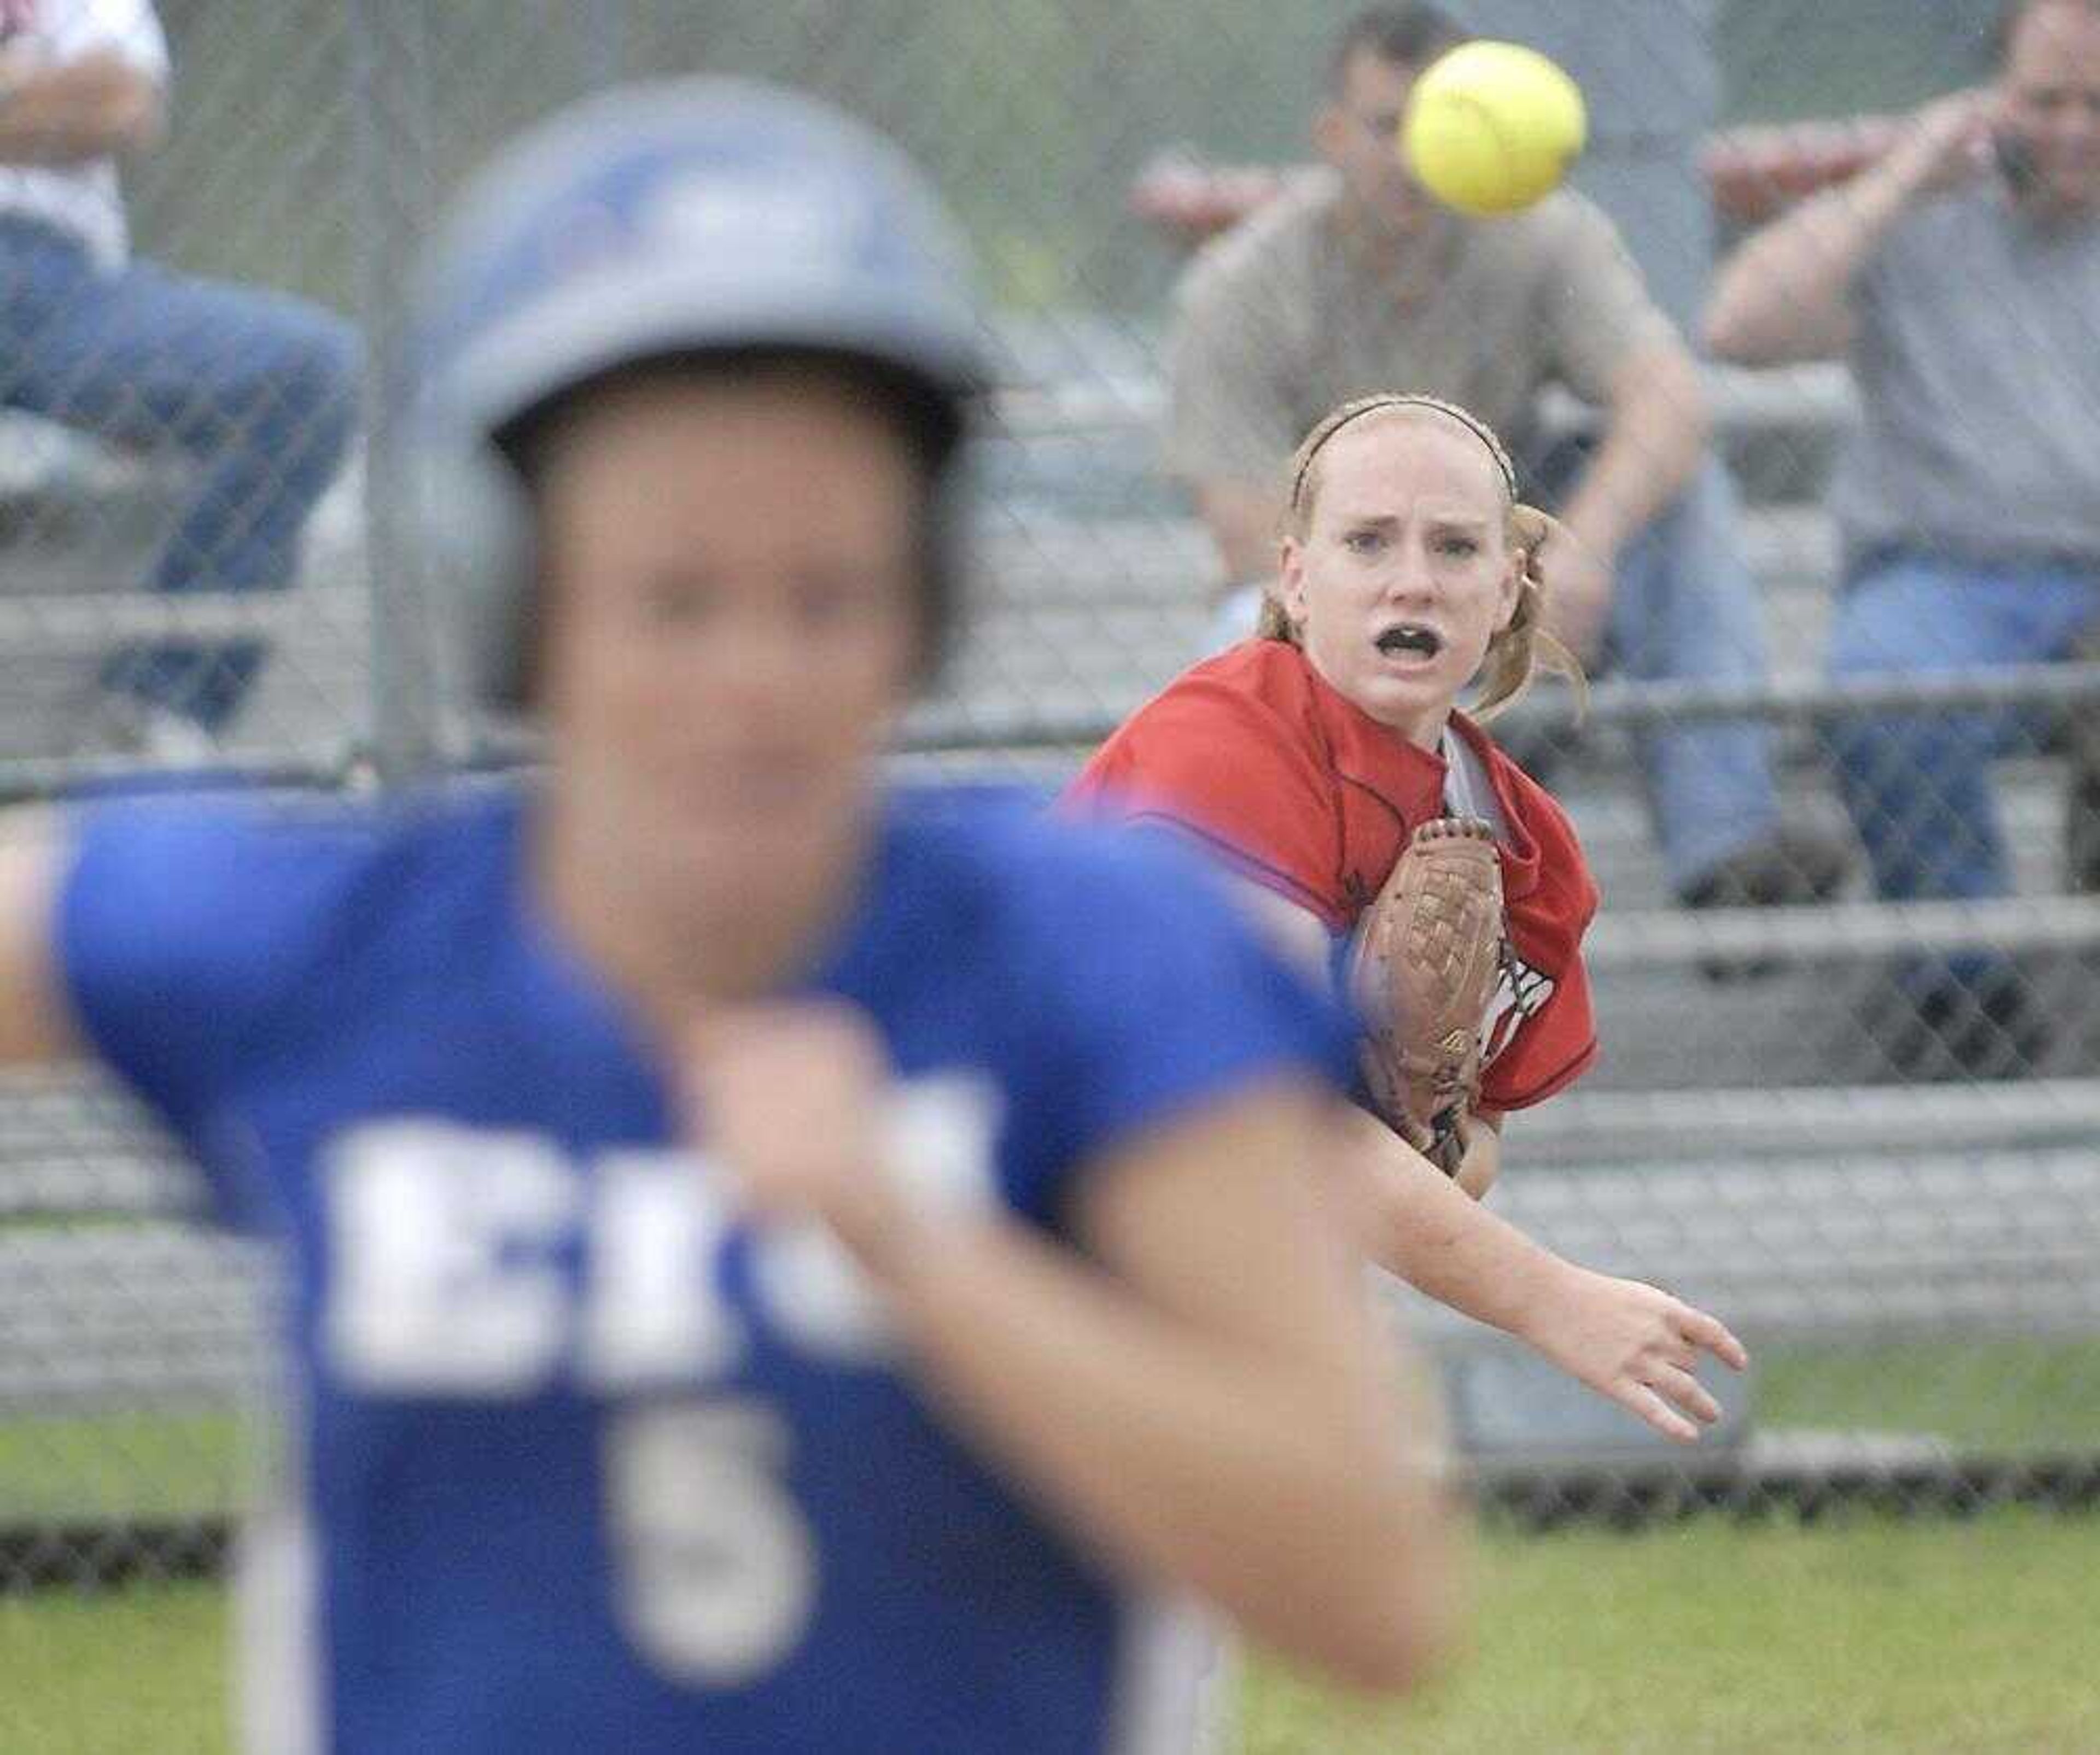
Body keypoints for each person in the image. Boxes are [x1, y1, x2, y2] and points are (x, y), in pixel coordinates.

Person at [0, 78, 1466, 1752]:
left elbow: (1373, 1591)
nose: (750, 675)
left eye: (825, 595)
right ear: (520, 603)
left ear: (925, 604)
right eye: (672, 599)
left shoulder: (1090, 952)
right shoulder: (342, 940)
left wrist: (917, 1249)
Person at [1066, 391, 1749, 1447]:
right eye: (1369, 541)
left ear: (1510, 587)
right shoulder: (1227, 739)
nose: (1413, 579)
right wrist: (1553, 1298)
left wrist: (1415, 1121)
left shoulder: (1525, 846)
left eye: (1456, 547)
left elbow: (1473, 1147)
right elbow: (1274, 1121)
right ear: (1296, 577)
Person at [1165, 2, 1849, 932]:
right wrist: (1407, 592)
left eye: (1442, 121)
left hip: (1498, 566)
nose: (1414, 154)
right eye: (1386, 126)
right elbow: (1249, 535)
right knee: (1231, 646)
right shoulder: (1244, 283)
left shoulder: (1538, 230)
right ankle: (1301, 930)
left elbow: (1670, 400)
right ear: (1331, 135)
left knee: (1676, 495)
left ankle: (1728, 848)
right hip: (1326, 597)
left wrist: (1583, 553)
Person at [1704, 0, 2100, 1078]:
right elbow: (1740, 327)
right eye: (2046, 100)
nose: (2071, 129)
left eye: (2095, 106)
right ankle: (1962, 992)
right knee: (1884, 682)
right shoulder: (1922, 212)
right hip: (1952, 570)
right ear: (1991, 101)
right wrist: (1902, 175)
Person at [0, 0, 359, 755]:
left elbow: (119, 102)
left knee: (308, 371)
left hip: (53, 285)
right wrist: (30, 93)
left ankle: (157, 712)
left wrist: (69, 100)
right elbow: (80, 99)